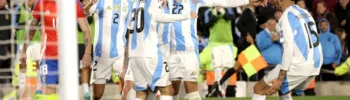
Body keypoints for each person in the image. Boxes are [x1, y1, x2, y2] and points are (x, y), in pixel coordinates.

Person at [20, 0, 92, 99]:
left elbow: (85, 29)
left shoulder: (74, 3)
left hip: (68, 58)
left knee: (68, 94)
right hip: (48, 58)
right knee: (48, 93)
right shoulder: (41, 3)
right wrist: (24, 51)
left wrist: (87, 53)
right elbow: (31, 29)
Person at [126, 0, 197, 99]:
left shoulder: (135, 3)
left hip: (134, 54)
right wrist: (185, 16)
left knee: (141, 92)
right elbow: (159, 16)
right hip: (150, 53)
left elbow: (129, 29)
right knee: (167, 89)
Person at [252, 0, 322, 100]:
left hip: (299, 66)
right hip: (315, 64)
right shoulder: (305, 12)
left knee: (259, 88)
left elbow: (288, 48)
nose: (274, 3)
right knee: (283, 91)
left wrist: (280, 78)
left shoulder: (286, 16)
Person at [208, 0, 266, 96]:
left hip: (247, 43)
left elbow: (250, 26)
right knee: (260, 67)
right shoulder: (247, 12)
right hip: (246, 44)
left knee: (237, 67)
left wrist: (259, 27)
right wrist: (247, 35)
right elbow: (238, 24)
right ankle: (261, 91)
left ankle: (218, 84)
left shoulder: (252, 13)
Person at [83, 0, 134, 99]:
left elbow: (132, 25)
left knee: (128, 83)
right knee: (98, 94)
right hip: (101, 53)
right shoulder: (100, 1)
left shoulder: (129, 2)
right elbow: (82, 15)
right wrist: (90, 4)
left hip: (121, 51)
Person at [203, 6, 235, 97]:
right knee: (217, 67)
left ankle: (223, 89)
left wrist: (221, 10)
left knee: (229, 68)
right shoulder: (208, 11)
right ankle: (220, 91)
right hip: (214, 43)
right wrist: (214, 13)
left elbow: (232, 18)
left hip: (228, 42)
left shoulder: (228, 8)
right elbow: (206, 25)